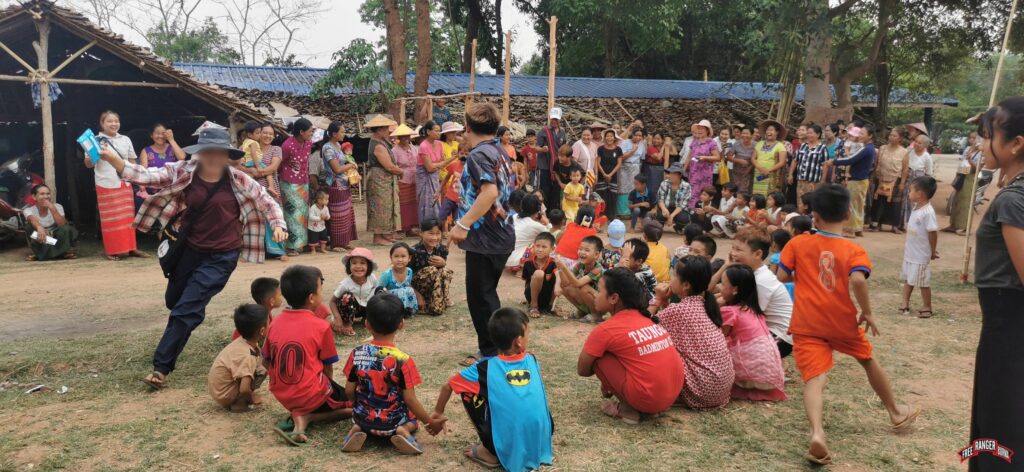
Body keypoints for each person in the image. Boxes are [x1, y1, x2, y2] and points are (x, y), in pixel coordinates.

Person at [99, 126, 286, 390]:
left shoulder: (238, 179)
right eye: (207, 151)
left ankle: (161, 367)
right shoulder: (184, 171)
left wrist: (278, 224)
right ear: (199, 153)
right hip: (189, 249)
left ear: (226, 155)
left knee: (187, 307)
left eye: (219, 153)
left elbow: (266, 200)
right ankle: (184, 322)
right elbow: (148, 175)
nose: (213, 157)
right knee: (175, 301)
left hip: (223, 255)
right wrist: (115, 161)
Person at [777, 184, 920, 465]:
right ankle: (895, 411)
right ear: (849, 213)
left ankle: (817, 433)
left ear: (814, 216)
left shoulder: (797, 243)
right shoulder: (853, 249)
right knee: (867, 359)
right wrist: (867, 312)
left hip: (807, 323)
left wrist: (804, 275)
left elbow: (781, 276)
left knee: (814, 379)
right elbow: (857, 279)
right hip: (841, 322)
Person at [969, 97, 1024, 472]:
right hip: (1006, 325)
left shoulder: (1013, 202)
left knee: (1000, 418)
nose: (980, 143)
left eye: (987, 135)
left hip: (1008, 330)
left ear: (1016, 143)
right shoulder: (1011, 192)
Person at [433, 308, 554, 470]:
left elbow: (448, 386)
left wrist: (438, 412)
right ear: (518, 342)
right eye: (527, 335)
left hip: (506, 441)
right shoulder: (532, 359)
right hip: (543, 433)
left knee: (468, 390)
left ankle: (489, 452)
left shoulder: (484, 368)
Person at [449, 103, 516, 367]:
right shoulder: (500, 151)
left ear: (468, 128)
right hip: (500, 235)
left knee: (481, 299)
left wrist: (462, 225)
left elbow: (489, 193)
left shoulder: (478, 156)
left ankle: (492, 352)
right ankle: (502, 346)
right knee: (487, 295)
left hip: (485, 238)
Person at [340, 293, 443, 455]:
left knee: (361, 416)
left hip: (363, 417)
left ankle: (357, 428)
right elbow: (410, 400)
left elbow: (348, 390)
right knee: (412, 420)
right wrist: (429, 422)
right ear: (401, 324)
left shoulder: (357, 353)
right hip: (392, 423)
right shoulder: (403, 360)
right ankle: (404, 430)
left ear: (367, 324)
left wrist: (356, 405)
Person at [578, 268, 685, 424]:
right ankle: (648, 408)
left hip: (649, 398)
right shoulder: (646, 317)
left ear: (614, 298)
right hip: (670, 397)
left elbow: (583, 370)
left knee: (600, 358)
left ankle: (628, 411)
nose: (595, 295)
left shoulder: (606, 329)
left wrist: (607, 380)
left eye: (599, 291)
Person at [265, 265, 351, 445]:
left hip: (283, 394)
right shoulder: (321, 326)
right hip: (311, 393)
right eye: (320, 287)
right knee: (356, 405)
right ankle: (307, 417)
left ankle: (300, 414)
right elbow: (328, 367)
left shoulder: (275, 322)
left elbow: (265, 361)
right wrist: (325, 392)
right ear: (312, 298)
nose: (322, 292)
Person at [650, 256, 733, 410]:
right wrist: (665, 302)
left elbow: (643, 326)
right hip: (720, 390)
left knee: (655, 348)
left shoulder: (680, 310)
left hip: (702, 392)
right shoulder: (706, 305)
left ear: (686, 285)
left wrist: (658, 299)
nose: (671, 278)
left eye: (674, 275)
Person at [720, 226, 794, 357]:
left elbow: (746, 314)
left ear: (758, 254)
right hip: (768, 330)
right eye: (733, 248)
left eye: (738, 249)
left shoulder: (761, 281)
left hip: (781, 337)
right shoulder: (750, 274)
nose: (733, 253)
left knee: (726, 345)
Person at [717, 264, 787, 401]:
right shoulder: (753, 310)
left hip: (751, 376)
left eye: (723, 284)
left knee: (719, 345)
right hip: (769, 377)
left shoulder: (730, 312)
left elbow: (719, 340)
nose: (720, 287)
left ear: (735, 290)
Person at [84, 111, 146, 261]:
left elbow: (132, 161)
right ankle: (112, 250)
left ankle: (132, 248)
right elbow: (88, 165)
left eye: (116, 121)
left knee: (128, 218)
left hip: (125, 182)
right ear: (102, 124)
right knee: (111, 219)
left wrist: (137, 179)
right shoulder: (94, 140)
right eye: (109, 121)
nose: (113, 124)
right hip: (106, 183)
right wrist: (94, 154)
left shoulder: (125, 139)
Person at [208, 304, 269, 412]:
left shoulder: (242, 342)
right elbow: (244, 389)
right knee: (261, 370)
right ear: (262, 331)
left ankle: (237, 399)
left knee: (259, 364)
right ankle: (239, 404)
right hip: (224, 394)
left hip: (218, 390)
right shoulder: (247, 354)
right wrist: (252, 397)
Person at [827, 124, 877, 237]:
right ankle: (858, 228)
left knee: (851, 205)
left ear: (870, 136)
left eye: (862, 133)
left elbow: (850, 159)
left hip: (856, 180)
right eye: (860, 133)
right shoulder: (870, 148)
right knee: (859, 205)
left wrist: (834, 161)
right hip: (862, 180)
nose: (859, 135)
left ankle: (850, 230)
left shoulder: (865, 148)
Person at [900, 177, 939, 319]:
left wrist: (932, 251)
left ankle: (927, 306)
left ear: (920, 194)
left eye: (911, 191)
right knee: (908, 280)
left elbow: (932, 232)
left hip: (920, 255)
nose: (908, 193)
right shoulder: (916, 208)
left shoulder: (928, 212)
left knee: (923, 282)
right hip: (910, 253)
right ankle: (904, 304)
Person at [318, 122, 357, 251]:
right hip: (335, 184)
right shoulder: (328, 148)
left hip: (344, 183)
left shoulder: (337, 145)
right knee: (337, 214)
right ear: (334, 133)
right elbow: (337, 169)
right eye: (342, 132)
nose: (344, 134)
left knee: (346, 213)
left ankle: (344, 241)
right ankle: (336, 243)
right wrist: (350, 165)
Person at [278, 118, 315, 256]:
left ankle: (300, 244)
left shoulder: (309, 143)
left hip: (304, 182)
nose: (311, 133)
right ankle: (290, 246)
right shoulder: (287, 145)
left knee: (303, 214)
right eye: (310, 131)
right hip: (289, 183)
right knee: (292, 214)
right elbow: (281, 163)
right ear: (301, 131)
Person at [366, 115, 404, 245]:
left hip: (382, 180)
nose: (389, 131)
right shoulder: (378, 145)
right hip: (379, 179)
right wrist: (400, 171)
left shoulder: (381, 142)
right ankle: (378, 236)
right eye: (386, 128)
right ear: (379, 130)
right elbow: (388, 166)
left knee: (386, 206)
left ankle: (384, 234)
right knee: (380, 207)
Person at [330, 248, 378, 337]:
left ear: (369, 266)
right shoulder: (345, 284)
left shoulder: (372, 278)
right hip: (349, 311)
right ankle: (347, 324)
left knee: (381, 290)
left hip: (365, 308)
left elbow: (375, 291)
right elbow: (332, 302)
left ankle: (369, 318)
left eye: (363, 263)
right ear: (349, 266)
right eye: (354, 263)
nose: (358, 266)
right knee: (347, 296)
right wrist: (338, 318)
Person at [869, 127, 910, 233]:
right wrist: (873, 177)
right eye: (890, 135)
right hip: (881, 178)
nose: (891, 137)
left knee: (895, 203)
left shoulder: (904, 151)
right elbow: (877, 164)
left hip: (895, 180)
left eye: (894, 136)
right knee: (879, 202)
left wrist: (902, 183)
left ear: (900, 138)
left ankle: (894, 226)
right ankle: (877, 224)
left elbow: (905, 169)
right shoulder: (882, 148)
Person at [556, 235, 605, 321]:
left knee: (584, 288)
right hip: (589, 299)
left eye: (587, 250)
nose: (582, 252)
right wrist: (559, 268)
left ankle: (596, 315)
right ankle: (582, 311)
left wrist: (564, 267)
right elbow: (566, 283)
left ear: (596, 255)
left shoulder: (598, 269)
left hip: (602, 303)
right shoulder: (579, 266)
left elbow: (577, 283)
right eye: (580, 249)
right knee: (564, 287)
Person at [24, 184, 78, 261]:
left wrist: (52, 208)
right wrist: (39, 227)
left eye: (48, 194)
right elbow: (32, 219)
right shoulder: (28, 210)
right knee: (29, 228)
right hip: (42, 238)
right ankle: (60, 253)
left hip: (56, 237)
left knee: (66, 228)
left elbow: (62, 224)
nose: (46, 196)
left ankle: (42, 254)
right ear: (34, 197)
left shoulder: (58, 206)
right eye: (42, 194)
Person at [410, 218, 453, 317]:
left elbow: (442, 272)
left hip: (434, 286)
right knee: (432, 270)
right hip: (417, 288)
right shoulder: (414, 251)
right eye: (431, 233)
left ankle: (440, 300)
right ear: (421, 233)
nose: (434, 237)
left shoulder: (442, 250)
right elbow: (407, 277)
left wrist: (443, 263)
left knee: (446, 271)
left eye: (438, 233)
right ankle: (430, 303)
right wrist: (417, 295)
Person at [945, 130, 982, 235]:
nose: (971, 140)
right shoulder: (967, 149)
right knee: (957, 201)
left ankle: (964, 227)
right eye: (970, 137)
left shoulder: (981, 152)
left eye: (974, 138)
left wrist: (970, 159)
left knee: (967, 203)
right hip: (962, 175)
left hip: (971, 178)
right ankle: (953, 225)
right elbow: (962, 162)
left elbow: (978, 168)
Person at [507, 194, 551, 269]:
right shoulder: (535, 225)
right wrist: (546, 221)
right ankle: (523, 269)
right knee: (543, 244)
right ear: (538, 209)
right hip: (515, 262)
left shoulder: (514, 217)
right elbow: (552, 233)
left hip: (504, 258)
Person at [789, 124, 828, 208]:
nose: (808, 135)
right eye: (808, 133)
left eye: (811, 133)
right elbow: (795, 160)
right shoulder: (803, 146)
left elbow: (825, 165)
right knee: (800, 201)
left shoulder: (822, 148)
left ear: (818, 135)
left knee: (811, 202)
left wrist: (823, 180)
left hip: (813, 182)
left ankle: (809, 219)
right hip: (801, 180)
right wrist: (790, 174)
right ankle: (800, 218)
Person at [685, 120, 721, 208]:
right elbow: (689, 157)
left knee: (704, 193)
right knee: (693, 193)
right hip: (694, 173)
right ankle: (692, 211)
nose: (700, 130)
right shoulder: (695, 141)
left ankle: (703, 213)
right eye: (699, 128)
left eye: (702, 128)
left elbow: (717, 157)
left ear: (707, 130)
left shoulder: (711, 142)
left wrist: (705, 157)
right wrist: (684, 168)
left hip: (705, 174)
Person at [902, 134, 935, 230]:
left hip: (919, 183)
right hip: (908, 179)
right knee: (905, 202)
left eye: (919, 143)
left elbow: (929, 174)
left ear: (925, 146)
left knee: (915, 203)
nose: (916, 144)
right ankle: (903, 223)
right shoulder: (909, 152)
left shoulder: (927, 157)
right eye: (915, 141)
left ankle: (914, 223)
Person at [536, 108, 567, 209]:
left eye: (556, 119)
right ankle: (544, 212)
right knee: (545, 190)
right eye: (552, 118)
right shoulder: (544, 131)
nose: (554, 121)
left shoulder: (562, 132)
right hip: (545, 166)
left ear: (560, 119)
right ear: (550, 118)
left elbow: (564, 148)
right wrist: (542, 149)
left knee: (556, 191)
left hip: (558, 166)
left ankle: (554, 213)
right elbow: (535, 148)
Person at [378, 242, 420, 317]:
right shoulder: (387, 274)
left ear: (409, 258)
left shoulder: (409, 271)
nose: (400, 259)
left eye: (403, 256)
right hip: (389, 303)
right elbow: (378, 291)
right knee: (401, 291)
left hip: (403, 302)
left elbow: (408, 286)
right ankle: (398, 313)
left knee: (409, 289)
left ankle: (409, 310)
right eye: (396, 256)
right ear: (391, 258)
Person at [523, 232, 558, 317]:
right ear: (534, 246)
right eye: (537, 246)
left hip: (548, 296)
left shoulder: (554, 262)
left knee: (561, 276)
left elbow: (559, 276)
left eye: (544, 247)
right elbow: (527, 282)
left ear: (552, 249)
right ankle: (533, 306)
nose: (540, 249)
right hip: (532, 296)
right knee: (539, 273)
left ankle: (551, 306)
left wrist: (558, 285)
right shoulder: (528, 262)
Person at [752, 120, 788, 196]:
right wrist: (760, 168)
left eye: (771, 130)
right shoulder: (760, 143)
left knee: (768, 195)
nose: (769, 132)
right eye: (768, 130)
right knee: (757, 194)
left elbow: (782, 162)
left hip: (770, 174)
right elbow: (753, 158)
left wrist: (768, 170)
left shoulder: (780, 146)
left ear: (777, 132)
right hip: (758, 173)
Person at [618, 128, 647, 216]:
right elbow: (621, 157)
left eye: (640, 136)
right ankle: (622, 211)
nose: (638, 137)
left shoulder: (642, 145)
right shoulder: (625, 142)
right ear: (632, 135)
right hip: (624, 167)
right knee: (622, 188)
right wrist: (632, 151)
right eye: (636, 135)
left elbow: (642, 158)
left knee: (634, 188)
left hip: (635, 168)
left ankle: (631, 211)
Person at [655, 162, 692, 233]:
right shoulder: (664, 183)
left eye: (673, 173)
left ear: (680, 175)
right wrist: (664, 209)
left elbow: (682, 205)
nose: (670, 175)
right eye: (670, 173)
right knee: (660, 216)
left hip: (679, 209)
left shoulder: (686, 186)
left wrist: (671, 216)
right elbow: (660, 198)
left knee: (684, 219)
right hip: (666, 207)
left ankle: (678, 227)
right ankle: (659, 226)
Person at [596, 129, 624, 221]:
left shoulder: (618, 149)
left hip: (613, 176)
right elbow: (598, 163)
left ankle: (611, 217)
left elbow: (619, 164)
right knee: (601, 195)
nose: (609, 138)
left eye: (611, 136)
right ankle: (600, 217)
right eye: (607, 136)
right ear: (605, 137)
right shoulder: (600, 149)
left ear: (614, 138)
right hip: (601, 175)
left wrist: (610, 175)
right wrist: (604, 174)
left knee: (612, 196)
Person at [728, 127, 756, 194]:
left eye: (747, 133)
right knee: (736, 190)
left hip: (749, 172)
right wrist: (739, 160)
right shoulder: (736, 144)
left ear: (752, 135)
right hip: (737, 172)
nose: (744, 135)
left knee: (747, 191)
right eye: (743, 133)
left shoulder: (756, 145)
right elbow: (728, 157)